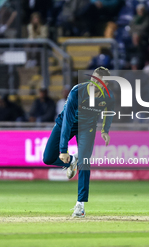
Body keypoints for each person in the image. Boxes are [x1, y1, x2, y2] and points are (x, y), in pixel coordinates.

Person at [43, 67, 115, 218]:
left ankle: (80, 205)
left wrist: (104, 131)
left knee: (84, 162)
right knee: (48, 158)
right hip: (65, 124)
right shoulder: (77, 92)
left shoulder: (108, 96)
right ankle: (71, 161)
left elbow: (109, 112)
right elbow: (67, 122)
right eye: (93, 78)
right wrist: (63, 150)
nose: (94, 82)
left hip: (87, 128)